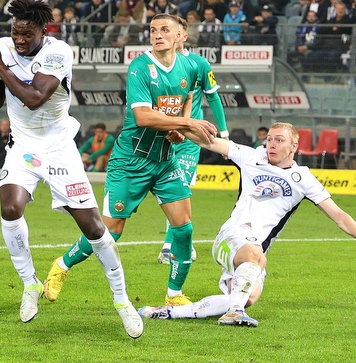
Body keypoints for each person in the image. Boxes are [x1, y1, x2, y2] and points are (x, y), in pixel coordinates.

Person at [0, 0, 143, 337]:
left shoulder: (58, 52)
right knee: (10, 206)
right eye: (14, 32)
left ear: (42, 31)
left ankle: (122, 301)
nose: (18, 39)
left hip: (60, 149)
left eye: (26, 34)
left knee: (93, 228)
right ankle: (30, 284)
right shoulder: (3, 47)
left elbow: (35, 97)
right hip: (24, 148)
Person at [44, 14, 218, 306]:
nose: (157, 35)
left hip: (165, 160)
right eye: (152, 30)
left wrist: (179, 130)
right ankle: (61, 266)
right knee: (110, 231)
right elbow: (143, 116)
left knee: (184, 226)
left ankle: (174, 294)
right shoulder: (140, 67)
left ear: (179, 36)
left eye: (165, 30)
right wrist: (187, 125)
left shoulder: (189, 67)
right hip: (131, 161)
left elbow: (186, 103)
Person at [140, 122, 356, 326]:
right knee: (255, 259)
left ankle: (168, 312)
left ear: (294, 146)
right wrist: (178, 125)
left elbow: (339, 216)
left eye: (279, 140)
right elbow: (208, 142)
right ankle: (234, 313)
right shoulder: (250, 157)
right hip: (232, 235)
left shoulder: (304, 179)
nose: (272, 144)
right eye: (270, 139)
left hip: (253, 249)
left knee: (247, 297)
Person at [158, 18, 229, 264]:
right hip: (163, 135)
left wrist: (224, 135)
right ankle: (182, 241)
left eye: (174, 32)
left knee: (180, 187)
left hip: (189, 138)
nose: (170, 37)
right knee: (163, 189)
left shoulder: (198, 63)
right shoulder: (153, 63)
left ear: (183, 36)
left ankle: (171, 245)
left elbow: (214, 98)